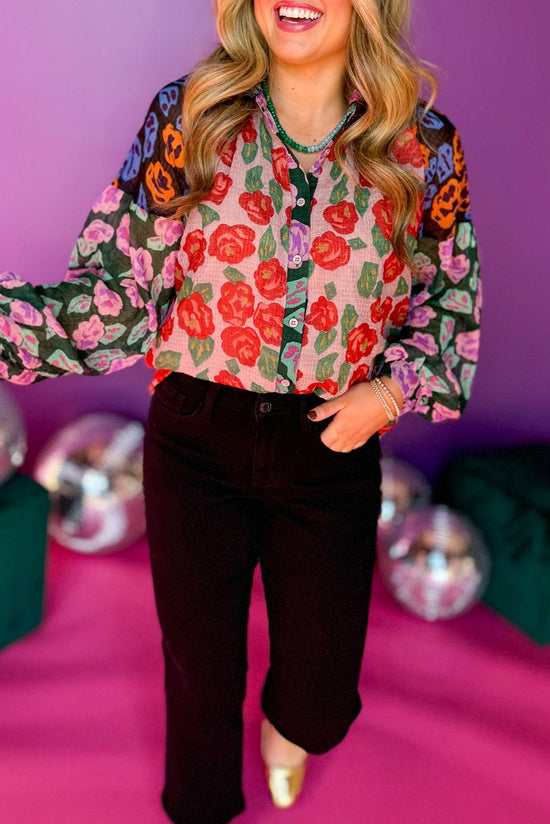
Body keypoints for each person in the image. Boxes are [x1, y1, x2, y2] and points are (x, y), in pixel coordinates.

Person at [0, 0, 481, 821]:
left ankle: (291, 732)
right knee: (199, 668)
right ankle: (201, 805)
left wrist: (391, 391)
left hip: (331, 442)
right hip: (196, 436)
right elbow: (116, 297)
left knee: (323, 692)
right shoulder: (189, 116)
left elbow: (448, 302)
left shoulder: (424, 146)